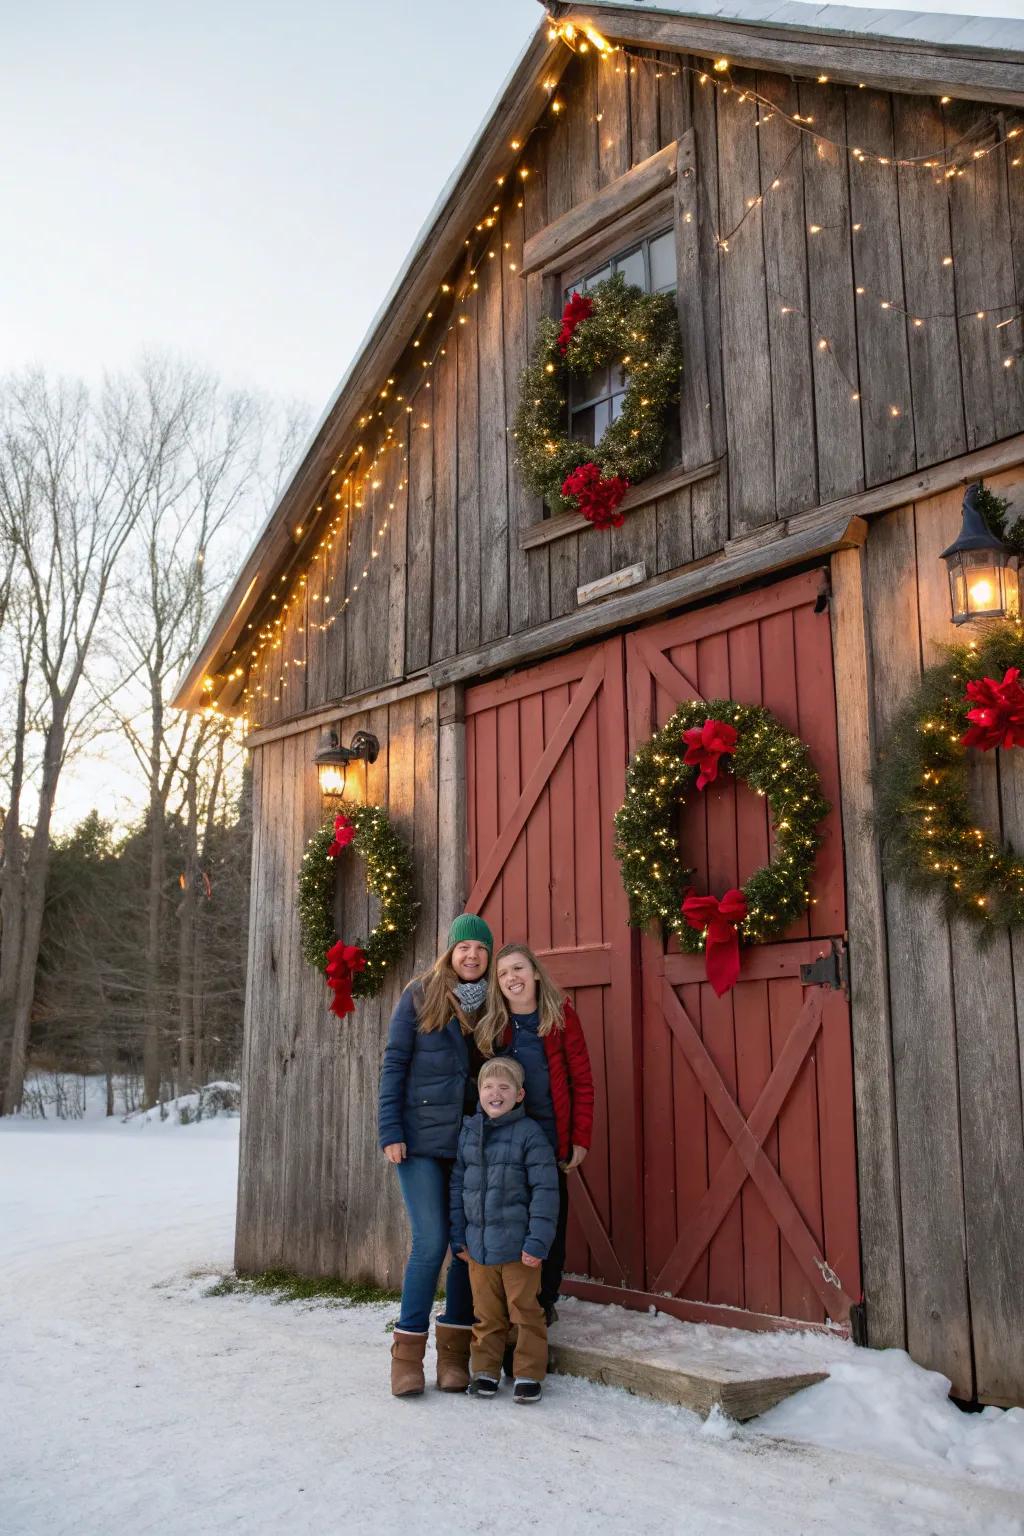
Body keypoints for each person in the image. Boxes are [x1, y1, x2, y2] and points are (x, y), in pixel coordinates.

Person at [378, 913, 493, 1397]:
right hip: (420, 1142)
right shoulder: (419, 995)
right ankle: (406, 1356)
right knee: (431, 1242)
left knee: (464, 1247)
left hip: (469, 1144)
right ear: (450, 952)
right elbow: (395, 1063)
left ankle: (454, 1357)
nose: (471, 956)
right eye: (463, 948)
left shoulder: (494, 1006)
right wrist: (390, 1130)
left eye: (480, 950)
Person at [476, 942, 594, 1325]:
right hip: (509, 1141)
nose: (512, 978)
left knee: (550, 1222)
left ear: (536, 974)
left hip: (551, 1139)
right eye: (504, 973)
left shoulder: (560, 1018)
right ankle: (512, 1305)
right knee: (511, 1218)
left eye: (519, 969)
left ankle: (546, 1300)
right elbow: (483, 1089)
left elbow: (582, 1081)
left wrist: (580, 1138)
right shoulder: (494, 1026)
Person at [450, 1057, 559, 1403]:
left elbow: (545, 1191)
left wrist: (538, 1242)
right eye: (488, 1087)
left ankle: (528, 1373)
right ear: (478, 1092)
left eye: (504, 1087)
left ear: (520, 1094)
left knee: (525, 1312)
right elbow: (457, 1188)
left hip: (519, 1251)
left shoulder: (530, 1136)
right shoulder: (469, 1133)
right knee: (486, 1315)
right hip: (479, 1249)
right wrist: (459, 1236)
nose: (495, 1093)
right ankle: (485, 1371)